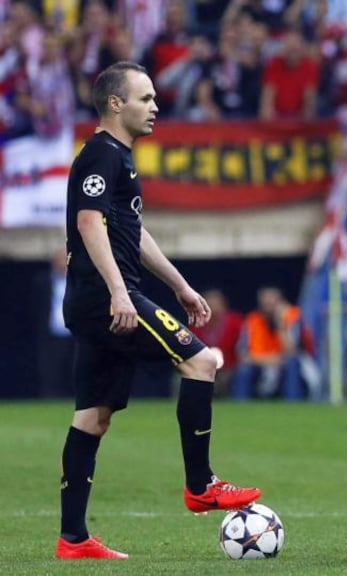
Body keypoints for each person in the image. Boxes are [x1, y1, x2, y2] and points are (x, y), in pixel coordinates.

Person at [56, 61, 260, 560]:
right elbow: (89, 224)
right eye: (145, 98)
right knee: (203, 361)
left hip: (94, 300)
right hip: (108, 298)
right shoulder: (101, 154)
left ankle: (73, 539)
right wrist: (120, 294)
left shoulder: (119, 158)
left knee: (93, 417)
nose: (156, 106)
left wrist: (182, 287)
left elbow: (133, 234)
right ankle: (201, 484)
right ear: (115, 104)